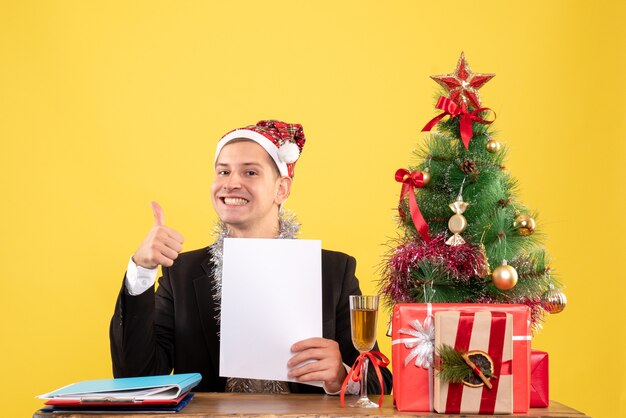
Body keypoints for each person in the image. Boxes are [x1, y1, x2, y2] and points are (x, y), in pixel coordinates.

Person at [110, 120, 392, 395]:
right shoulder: (181, 273)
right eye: (223, 172)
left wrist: (342, 375)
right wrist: (141, 270)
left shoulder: (332, 271)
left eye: (250, 173)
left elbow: (380, 384)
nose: (231, 183)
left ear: (281, 189)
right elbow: (137, 378)